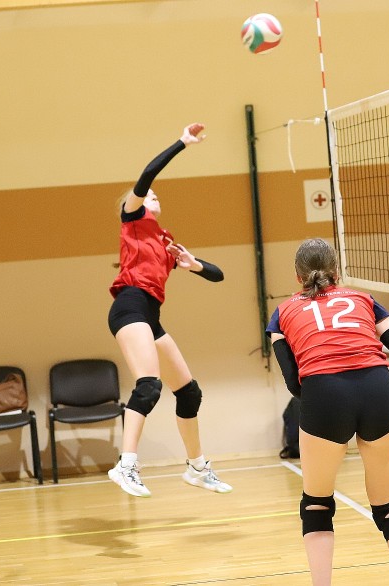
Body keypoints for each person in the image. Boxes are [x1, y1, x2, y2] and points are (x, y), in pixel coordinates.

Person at [268, 238, 389, 586]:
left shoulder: (281, 313)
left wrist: (324, 407)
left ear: (298, 277)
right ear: (337, 272)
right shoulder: (364, 300)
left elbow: (293, 383)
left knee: (316, 504)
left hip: (324, 394)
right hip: (377, 391)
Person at [106, 123, 232, 497]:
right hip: (129, 307)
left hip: (151, 316)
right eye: (149, 195)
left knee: (189, 393)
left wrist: (194, 264)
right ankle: (126, 465)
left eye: (154, 195)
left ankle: (197, 468)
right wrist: (182, 143)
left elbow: (219, 276)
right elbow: (147, 174)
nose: (153, 196)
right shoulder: (132, 219)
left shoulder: (164, 240)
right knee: (148, 386)